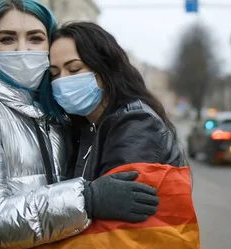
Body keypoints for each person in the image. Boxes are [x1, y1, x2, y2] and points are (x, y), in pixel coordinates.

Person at [0, 0, 159, 249]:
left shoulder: (51, 112)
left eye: (35, 38)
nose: (22, 48)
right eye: (7, 39)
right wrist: (86, 199)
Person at [47, 21, 186, 182]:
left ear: (105, 69)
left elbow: (115, 203)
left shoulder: (137, 124)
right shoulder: (85, 127)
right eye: (54, 74)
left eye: (74, 69)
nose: (62, 81)